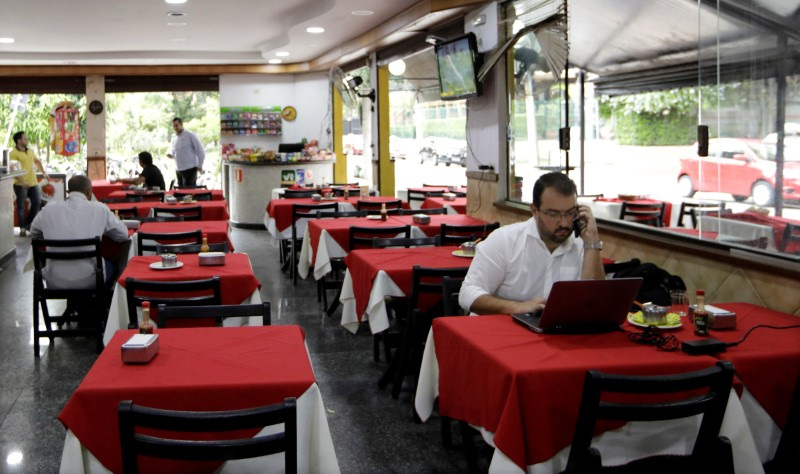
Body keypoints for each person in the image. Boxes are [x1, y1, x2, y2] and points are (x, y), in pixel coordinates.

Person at [459, 172, 606, 315]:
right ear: (535, 211)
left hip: (554, 333)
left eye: (570, 213)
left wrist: (592, 242)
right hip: (500, 330)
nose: (564, 222)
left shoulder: (581, 244)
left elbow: (596, 302)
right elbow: (467, 294)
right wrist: (518, 307)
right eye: (553, 214)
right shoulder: (505, 239)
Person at [30, 175, 129, 289]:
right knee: (115, 266)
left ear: (68, 192)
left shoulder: (48, 209)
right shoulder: (100, 209)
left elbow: (34, 232)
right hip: (91, 279)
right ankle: (98, 304)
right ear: (90, 193)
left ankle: (75, 305)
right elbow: (123, 235)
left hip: (54, 279)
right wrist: (103, 229)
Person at [10, 131, 49, 236]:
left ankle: (27, 223)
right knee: (21, 206)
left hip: (33, 182)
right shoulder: (13, 153)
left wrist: (44, 173)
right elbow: (13, 169)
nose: (27, 139)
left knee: (36, 202)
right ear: (19, 140)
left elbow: (37, 161)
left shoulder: (30, 151)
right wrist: (22, 182)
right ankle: (22, 228)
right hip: (20, 184)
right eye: (24, 138)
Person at [167, 117, 205, 187]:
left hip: (190, 168)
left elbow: (200, 150)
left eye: (176, 125)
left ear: (181, 124)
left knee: (189, 193)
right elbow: (176, 152)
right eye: (173, 126)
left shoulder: (190, 135)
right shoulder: (175, 139)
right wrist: (171, 155)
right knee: (180, 193)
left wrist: (200, 165)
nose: (175, 128)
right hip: (179, 169)